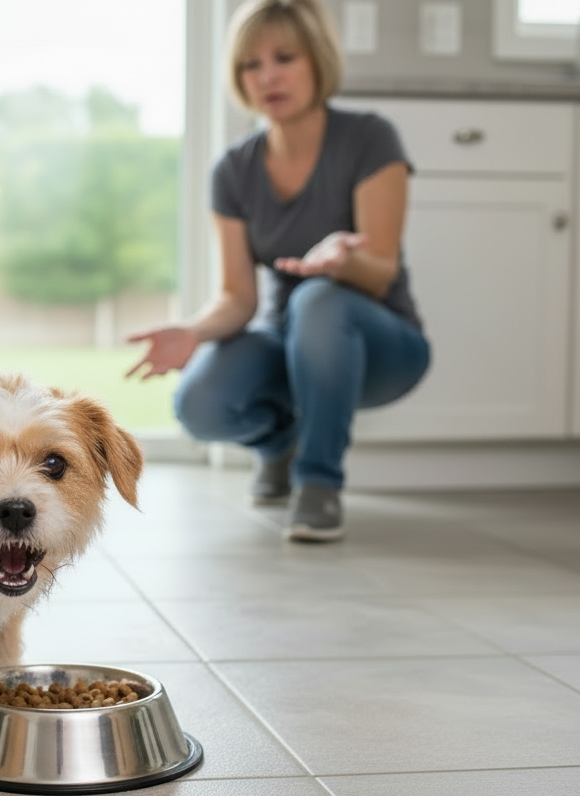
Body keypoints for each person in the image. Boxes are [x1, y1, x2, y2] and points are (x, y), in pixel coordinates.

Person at [125, 0, 430, 542]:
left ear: (317, 60)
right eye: (251, 64)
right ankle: (279, 447)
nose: (267, 76)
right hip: (289, 339)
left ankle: (318, 484)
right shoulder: (234, 170)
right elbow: (238, 297)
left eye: (284, 57)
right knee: (199, 404)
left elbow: (380, 273)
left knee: (317, 299)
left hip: (385, 344)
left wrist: (342, 261)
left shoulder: (369, 139)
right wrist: (191, 331)